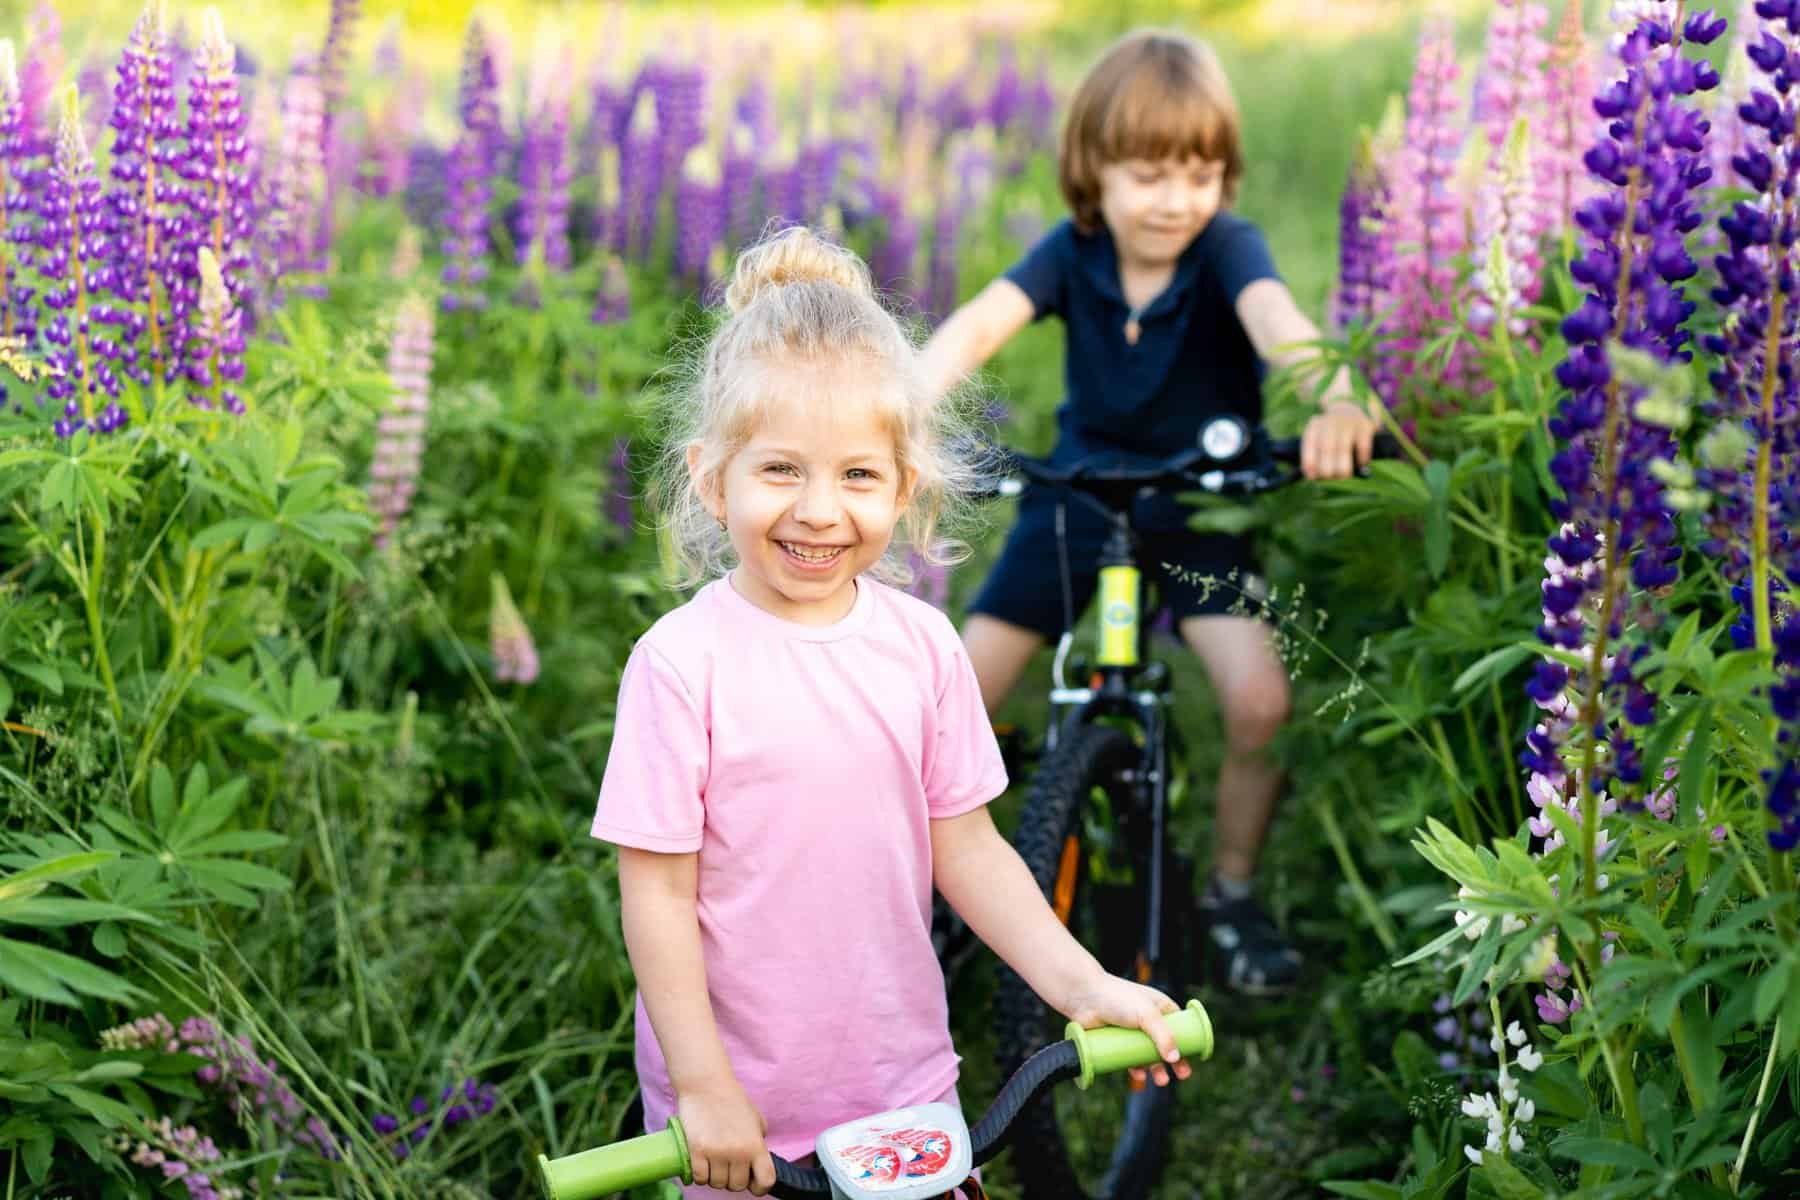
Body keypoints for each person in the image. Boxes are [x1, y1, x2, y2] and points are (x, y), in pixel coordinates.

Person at [591, 225, 1193, 1197]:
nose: (820, 511)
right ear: (712, 478)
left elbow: (970, 850)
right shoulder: (680, 666)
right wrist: (704, 1088)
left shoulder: (920, 648)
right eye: (780, 469)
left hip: (902, 1088)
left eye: (857, 475)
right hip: (735, 1110)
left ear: (905, 488)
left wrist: (1084, 985)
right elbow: (655, 896)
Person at [919, 29, 1380, 997]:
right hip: (1080, 498)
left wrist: (1335, 398)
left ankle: (1232, 892)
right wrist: (901, 402)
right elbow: (976, 324)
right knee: (952, 692)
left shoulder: (1226, 249)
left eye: (1201, 173)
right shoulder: (1072, 252)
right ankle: (930, 885)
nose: (1176, 199)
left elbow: (1278, 324)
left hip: (1200, 505)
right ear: (1093, 168)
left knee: (1259, 702)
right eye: (1148, 173)